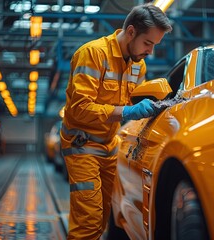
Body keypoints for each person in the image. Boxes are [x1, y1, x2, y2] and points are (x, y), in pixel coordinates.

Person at [60, 3, 172, 239]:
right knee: (88, 222)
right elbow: (80, 108)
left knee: (102, 221)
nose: (150, 51)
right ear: (130, 32)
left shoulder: (138, 65)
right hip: (82, 145)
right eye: (148, 43)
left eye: (154, 45)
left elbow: (135, 102)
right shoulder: (92, 54)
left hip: (110, 147)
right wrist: (127, 112)